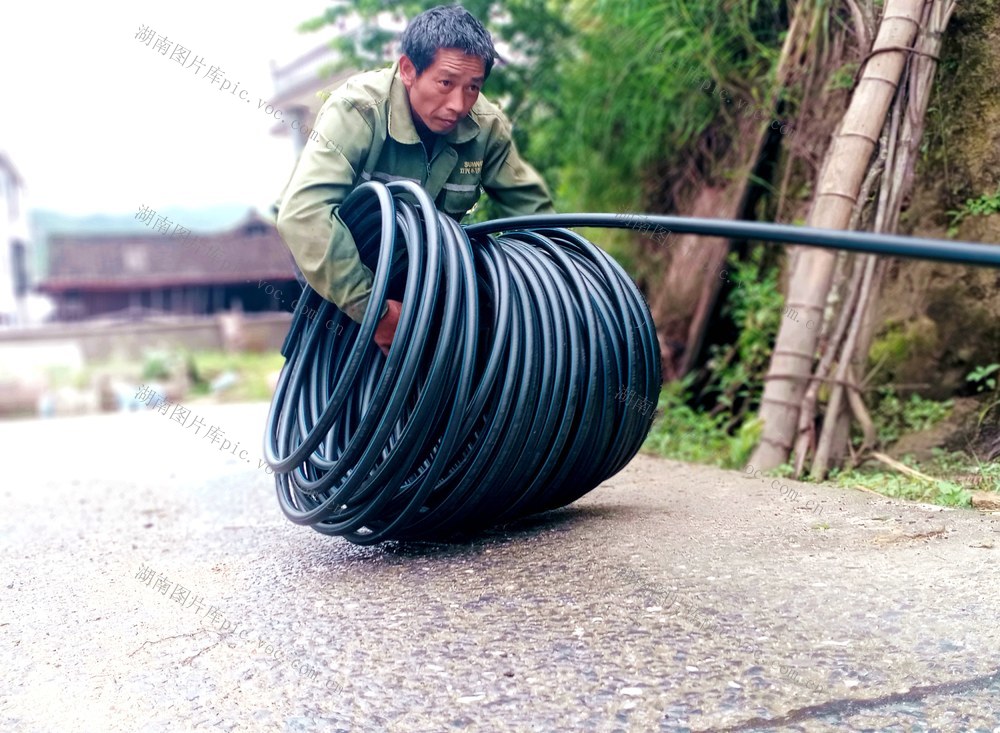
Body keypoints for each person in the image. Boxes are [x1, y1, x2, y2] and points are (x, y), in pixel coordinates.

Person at [274, 4, 555, 355]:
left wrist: (555, 288)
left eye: (472, 87)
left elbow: (537, 218)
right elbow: (303, 215)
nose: (458, 103)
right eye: (445, 83)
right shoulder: (359, 111)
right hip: (338, 265)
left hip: (419, 270)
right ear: (408, 70)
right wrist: (375, 313)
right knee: (339, 373)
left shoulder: (486, 126)